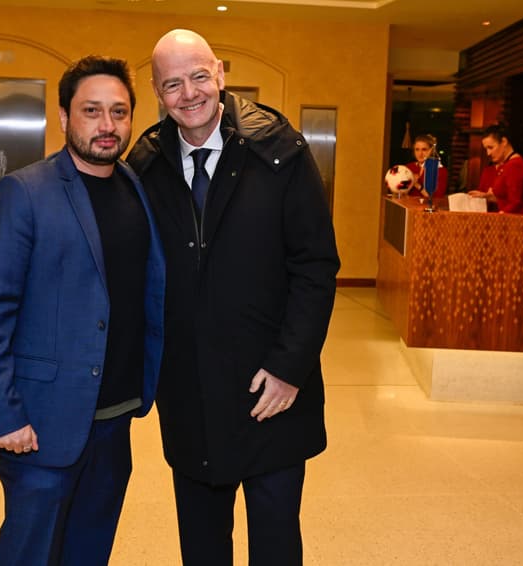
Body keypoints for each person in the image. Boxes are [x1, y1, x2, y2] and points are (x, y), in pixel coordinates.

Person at [127, 29, 340, 566]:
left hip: (272, 392)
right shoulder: (146, 166)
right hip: (191, 392)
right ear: (156, 90)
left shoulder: (280, 151)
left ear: (220, 72)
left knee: (274, 543)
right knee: (201, 546)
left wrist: (290, 366)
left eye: (199, 76)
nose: (189, 93)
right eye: (172, 83)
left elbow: (316, 266)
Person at [0, 56, 165, 566]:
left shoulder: (134, 188)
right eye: (91, 110)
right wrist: (3, 415)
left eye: (119, 112)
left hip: (114, 419)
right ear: (63, 117)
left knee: (89, 552)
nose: (107, 125)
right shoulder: (25, 192)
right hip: (40, 426)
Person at [468, 123, 523, 214]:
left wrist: (499, 216)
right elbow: (506, 198)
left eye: (491, 147)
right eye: (486, 149)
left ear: (504, 142)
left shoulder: (514, 165)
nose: (488, 153)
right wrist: (486, 196)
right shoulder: (508, 165)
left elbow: (515, 203)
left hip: (519, 223)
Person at [406, 133, 447, 198]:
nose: (420, 153)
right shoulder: (408, 167)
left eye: (424, 149)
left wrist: (416, 185)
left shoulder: (440, 170)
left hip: (428, 207)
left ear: (431, 150)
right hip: (409, 206)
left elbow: (436, 197)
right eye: (417, 149)